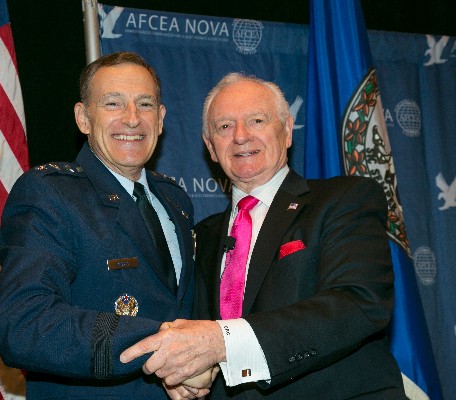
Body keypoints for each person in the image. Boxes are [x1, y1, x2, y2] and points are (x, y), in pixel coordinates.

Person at [120, 73, 407, 399]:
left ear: (286, 131)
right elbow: (196, 334)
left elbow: (359, 304)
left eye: (256, 120)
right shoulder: (201, 236)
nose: (241, 136)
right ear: (210, 147)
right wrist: (190, 374)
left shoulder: (345, 200)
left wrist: (221, 343)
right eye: (224, 127)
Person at [0, 51, 205, 399]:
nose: (132, 119)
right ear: (83, 118)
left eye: (145, 104)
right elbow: (22, 325)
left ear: (162, 118)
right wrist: (166, 349)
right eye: (113, 104)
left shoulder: (175, 201)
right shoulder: (51, 194)